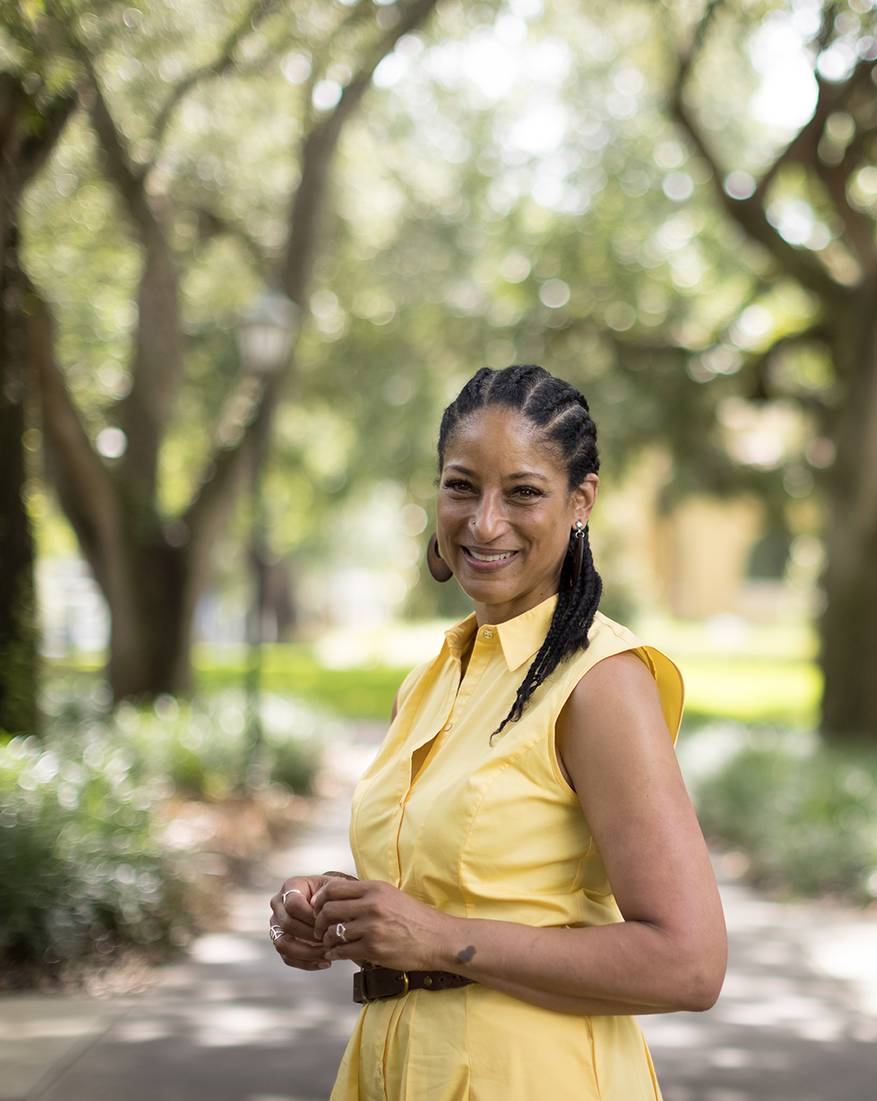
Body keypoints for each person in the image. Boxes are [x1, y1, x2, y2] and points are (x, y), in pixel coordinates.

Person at [268, 364, 728, 1101]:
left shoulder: (599, 681)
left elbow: (690, 963)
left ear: (581, 500)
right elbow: (441, 890)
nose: (484, 522)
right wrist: (331, 909)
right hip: (394, 1069)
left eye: (522, 492)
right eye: (461, 486)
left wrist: (439, 937)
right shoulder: (429, 682)